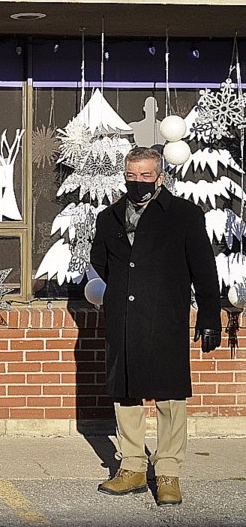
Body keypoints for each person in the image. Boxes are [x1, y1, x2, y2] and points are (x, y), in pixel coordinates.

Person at [90, 146, 222, 506]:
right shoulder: (110, 217)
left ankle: (168, 471)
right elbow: (100, 262)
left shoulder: (183, 215)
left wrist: (210, 314)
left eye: (146, 175)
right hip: (123, 319)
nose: (138, 182)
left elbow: (204, 268)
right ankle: (131, 466)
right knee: (126, 393)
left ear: (160, 176)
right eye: (131, 176)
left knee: (168, 395)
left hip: (166, 317)